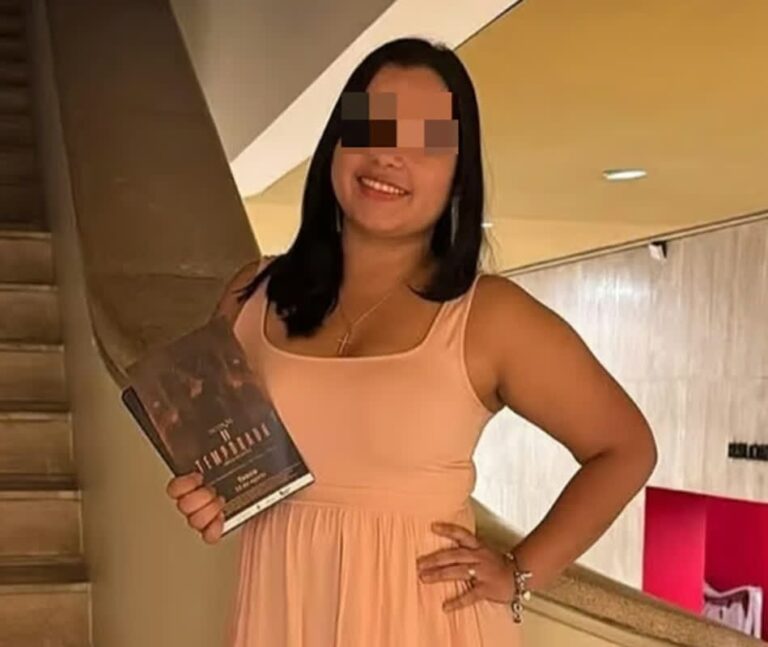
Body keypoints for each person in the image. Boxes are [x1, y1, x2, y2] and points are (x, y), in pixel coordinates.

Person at [165, 37, 658, 646]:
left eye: (426, 141)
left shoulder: (490, 315)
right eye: (370, 127)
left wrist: (520, 571)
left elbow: (625, 447)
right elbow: (221, 458)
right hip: (281, 609)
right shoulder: (250, 294)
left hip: (426, 623)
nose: (389, 156)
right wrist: (209, 497)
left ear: (457, 174)